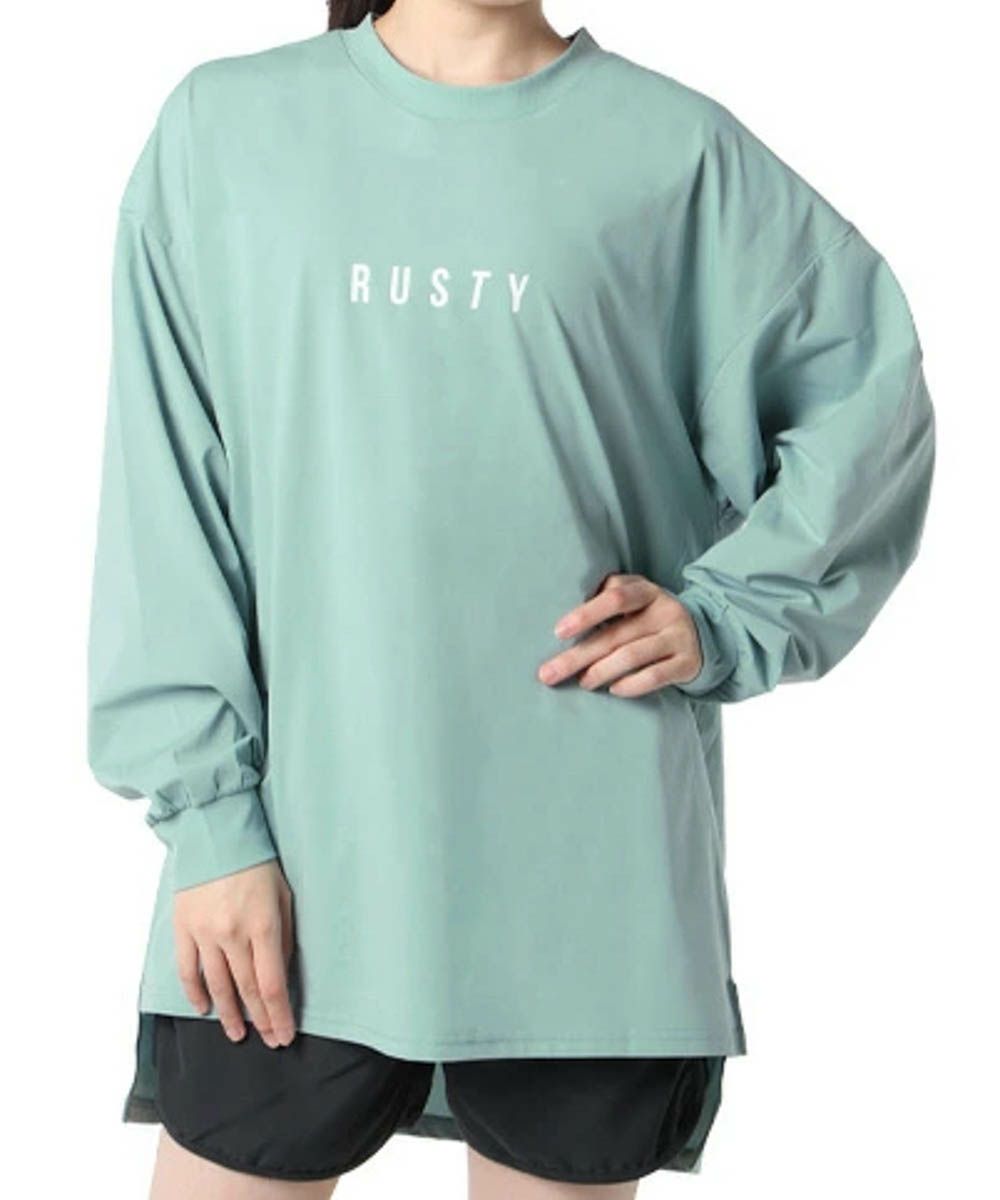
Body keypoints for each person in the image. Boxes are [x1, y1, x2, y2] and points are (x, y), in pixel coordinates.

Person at [85, 0, 937, 1196]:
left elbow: (869, 402)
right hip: (294, 858)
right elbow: (167, 502)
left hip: (588, 880)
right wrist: (211, 824)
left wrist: (724, 616)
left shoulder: (675, 154)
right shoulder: (223, 130)